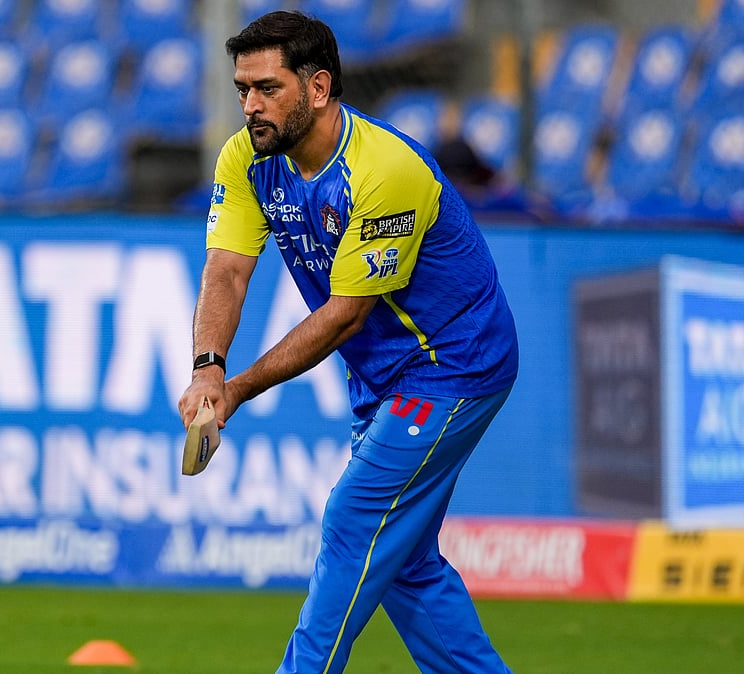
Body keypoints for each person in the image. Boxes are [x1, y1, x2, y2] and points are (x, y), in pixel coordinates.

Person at [178, 11, 519, 674]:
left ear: (318, 88)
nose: (250, 106)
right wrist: (207, 368)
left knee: (354, 522)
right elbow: (225, 269)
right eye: (243, 89)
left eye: (267, 88)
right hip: (382, 378)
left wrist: (239, 389)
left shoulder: (385, 169)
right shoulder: (248, 158)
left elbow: (343, 316)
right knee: (405, 564)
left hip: (453, 362)